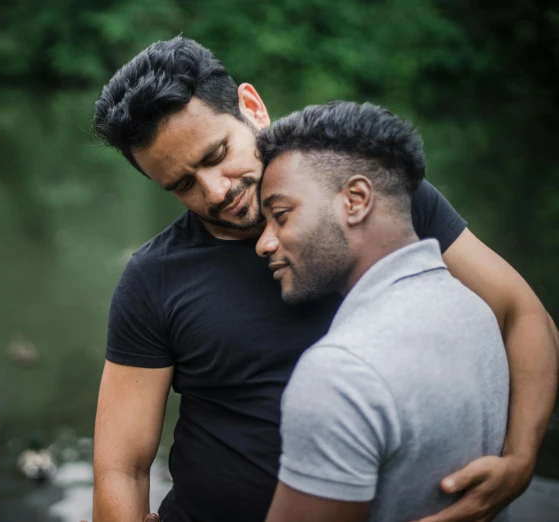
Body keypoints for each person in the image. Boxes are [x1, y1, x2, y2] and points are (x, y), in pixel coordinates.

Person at [90, 36, 558, 522]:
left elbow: (523, 316)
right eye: (182, 184)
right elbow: (122, 466)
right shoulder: (154, 278)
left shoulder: (371, 195)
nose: (216, 190)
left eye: (216, 155)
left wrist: (520, 459)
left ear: (252, 107)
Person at [256, 101, 510, 522]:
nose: (264, 242)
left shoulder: (341, 374)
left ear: (355, 199)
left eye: (280, 215)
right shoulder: (475, 312)